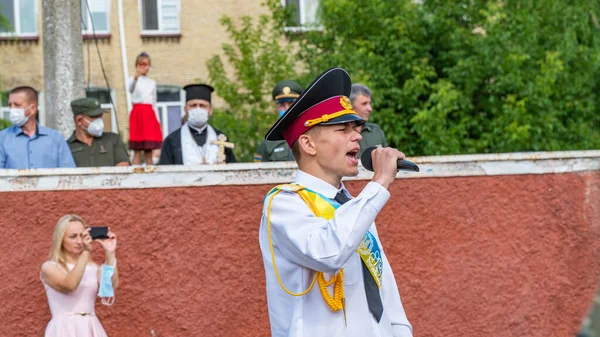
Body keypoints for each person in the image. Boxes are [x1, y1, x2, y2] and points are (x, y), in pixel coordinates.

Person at [259, 68, 413, 337]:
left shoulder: (353, 204)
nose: (357, 136)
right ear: (308, 144)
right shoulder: (284, 205)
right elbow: (329, 252)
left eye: (356, 128)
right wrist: (378, 184)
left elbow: (384, 287)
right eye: (343, 129)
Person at [40, 214, 119, 337]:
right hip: (64, 329)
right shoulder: (50, 267)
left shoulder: (92, 268)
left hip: (91, 326)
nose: (79, 241)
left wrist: (110, 253)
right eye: (73, 237)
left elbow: (109, 289)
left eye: (82, 236)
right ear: (61, 239)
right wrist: (85, 253)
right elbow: (70, 285)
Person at [0, 86, 75, 169]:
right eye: (10, 105)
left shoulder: (55, 139)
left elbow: (69, 175)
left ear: (33, 108)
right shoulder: (2, 139)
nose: (12, 109)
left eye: (17, 105)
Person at [159, 84, 236, 165]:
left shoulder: (221, 138)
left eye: (202, 106)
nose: (198, 109)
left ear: (210, 110)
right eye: (193, 105)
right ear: (185, 109)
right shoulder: (172, 140)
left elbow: (234, 170)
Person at [67, 98, 130, 167]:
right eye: (94, 117)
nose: (99, 121)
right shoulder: (66, 147)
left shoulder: (113, 140)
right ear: (79, 120)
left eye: (100, 116)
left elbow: (123, 171)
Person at [253, 80, 303, 162]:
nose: (287, 108)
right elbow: (257, 170)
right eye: (282, 105)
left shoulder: (312, 134)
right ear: (277, 108)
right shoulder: (269, 141)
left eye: (291, 103)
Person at [128, 52, 163, 165]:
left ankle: (151, 175)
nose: (146, 67)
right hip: (138, 115)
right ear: (137, 65)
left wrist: (158, 122)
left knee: (149, 151)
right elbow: (130, 88)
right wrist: (136, 76)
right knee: (137, 151)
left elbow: (154, 103)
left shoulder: (152, 83)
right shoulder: (132, 80)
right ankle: (134, 174)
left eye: (147, 65)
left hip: (149, 115)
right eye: (142, 64)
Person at [350, 84, 388, 158]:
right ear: (350, 105)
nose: (370, 108)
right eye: (364, 104)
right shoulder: (340, 133)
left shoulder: (376, 131)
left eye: (369, 103)